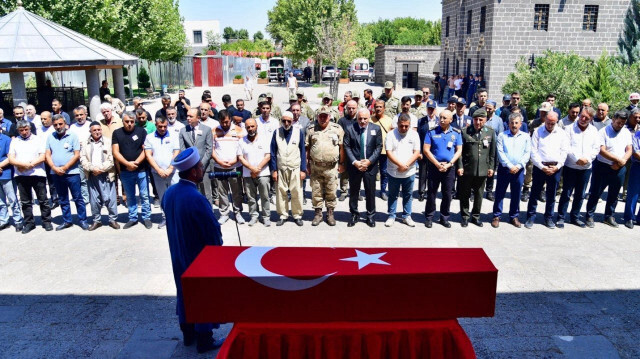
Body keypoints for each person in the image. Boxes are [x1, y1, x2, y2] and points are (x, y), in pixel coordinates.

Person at [162, 147, 225, 353]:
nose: (202, 170)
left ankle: (188, 334)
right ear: (193, 172)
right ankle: (205, 338)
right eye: (199, 167)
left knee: (183, 291)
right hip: (197, 256)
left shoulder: (170, 192)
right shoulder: (196, 198)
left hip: (177, 252)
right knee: (202, 294)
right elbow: (212, 230)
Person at [585, 110, 633, 228]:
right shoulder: (603, 131)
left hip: (620, 167)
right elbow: (602, 150)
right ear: (613, 120)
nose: (620, 125)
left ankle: (609, 216)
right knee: (596, 192)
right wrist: (618, 159)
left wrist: (622, 162)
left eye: (623, 123)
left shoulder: (626, 132)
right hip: (603, 166)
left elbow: (629, 149)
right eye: (618, 123)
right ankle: (589, 215)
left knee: (614, 193)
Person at [556, 106, 600, 228]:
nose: (583, 119)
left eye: (586, 117)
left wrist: (587, 159)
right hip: (571, 166)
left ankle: (574, 217)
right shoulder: (569, 129)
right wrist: (577, 159)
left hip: (586, 168)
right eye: (582, 116)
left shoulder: (594, 131)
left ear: (591, 119)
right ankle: (561, 217)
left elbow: (596, 148)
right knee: (566, 193)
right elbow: (566, 147)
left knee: (580, 194)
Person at [8, 120, 53, 233]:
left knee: (43, 199)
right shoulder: (15, 141)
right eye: (21, 130)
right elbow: (11, 158)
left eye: (26, 129)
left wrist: (29, 165)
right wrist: (22, 165)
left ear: (30, 129)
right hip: (21, 175)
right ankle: (29, 223)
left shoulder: (38, 139)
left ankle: (46, 221)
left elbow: (42, 156)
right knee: (26, 201)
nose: (24, 132)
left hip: (37, 174)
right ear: (18, 130)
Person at [525, 112, 568, 229]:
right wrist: (542, 166)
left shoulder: (562, 134)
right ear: (545, 120)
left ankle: (549, 217)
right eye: (548, 122)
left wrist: (557, 166)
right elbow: (533, 151)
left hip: (555, 168)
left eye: (552, 123)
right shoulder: (538, 131)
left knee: (551, 194)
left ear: (556, 122)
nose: (549, 125)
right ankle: (530, 216)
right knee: (534, 193)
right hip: (540, 167)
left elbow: (564, 152)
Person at [45, 114, 88, 230]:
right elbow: (48, 154)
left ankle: (83, 220)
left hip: (72, 173)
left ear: (65, 124)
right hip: (56, 173)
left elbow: (77, 154)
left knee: (78, 198)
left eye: (60, 124)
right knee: (63, 198)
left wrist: (65, 167)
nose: (58, 127)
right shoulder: (50, 137)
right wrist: (54, 168)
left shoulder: (72, 136)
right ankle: (67, 220)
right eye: (55, 125)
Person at [112, 111, 152, 229]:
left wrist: (136, 162)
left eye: (132, 121)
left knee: (144, 195)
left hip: (141, 170)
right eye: (127, 121)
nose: (129, 124)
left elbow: (146, 149)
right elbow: (115, 151)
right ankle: (133, 217)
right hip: (125, 171)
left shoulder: (141, 131)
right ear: (122, 121)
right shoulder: (117, 133)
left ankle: (146, 217)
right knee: (130, 196)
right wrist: (127, 164)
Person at [457, 109, 496, 227]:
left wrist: (491, 167)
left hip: (483, 169)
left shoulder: (490, 132)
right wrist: (460, 166)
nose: (478, 122)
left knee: (479, 194)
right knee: (465, 193)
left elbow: (492, 153)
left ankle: (476, 216)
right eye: (475, 119)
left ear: (485, 120)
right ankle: (464, 216)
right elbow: (460, 152)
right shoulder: (465, 132)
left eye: (480, 120)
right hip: (468, 169)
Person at [306, 106, 345, 226]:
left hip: (331, 167)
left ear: (329, 117)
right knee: (316, 191)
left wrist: (342, 163)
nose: (323, 118)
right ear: (317, 117)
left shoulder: (337, 129)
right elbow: (307, 148)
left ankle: (330, 214)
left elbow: (341, 148)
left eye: (325, 116)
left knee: (331, 191)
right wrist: (307, 164)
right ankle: (318, 214)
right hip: (315, 167)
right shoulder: (311, 129)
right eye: (320, 116)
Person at [423, 110, 462, 228]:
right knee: (431, 193)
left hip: (449, 168)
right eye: (440, 117)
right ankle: (429, 217)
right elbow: (426, 149)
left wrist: (449, 164)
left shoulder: (456, 133)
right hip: (435, 167)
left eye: (445, 118)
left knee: (447, 194)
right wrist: (437, 164)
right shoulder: (432, 132)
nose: (442, 120)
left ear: (451, 120)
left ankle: (444, 217)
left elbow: (459, 150)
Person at [344, 108, 382, 227]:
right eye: (360, 118)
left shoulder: (376, 129)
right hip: (355, 166)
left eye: (365, 118)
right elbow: (347, 147)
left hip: (370, 166)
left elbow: (379, 147)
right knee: (354, 191)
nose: (362, 121)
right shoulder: (350, 129)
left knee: (370, 192)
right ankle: (354, 214)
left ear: (369, 118)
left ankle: (370, 216)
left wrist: (369, 161)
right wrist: (355, 162)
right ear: (356, 118)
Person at [492, 113, 531, 228]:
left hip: (519, 170)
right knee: (499, 193)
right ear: (508, 123)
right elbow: (500, 152)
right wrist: (510, 166)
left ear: (521, 124)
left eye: (516, 123)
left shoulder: (525, 136)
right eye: (512, 123)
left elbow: (527, 153)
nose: (514, 125)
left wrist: (518, 166)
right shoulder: (501, 136)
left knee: (516, 194)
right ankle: (496, 216)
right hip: (504, 169)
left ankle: (514, 216)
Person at [80, 121, 119, 231]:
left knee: (110, 198)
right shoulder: (85, 143)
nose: (97, 132)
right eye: (94, 130)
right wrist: (92, 169)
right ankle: (97, 220)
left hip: (106, 174)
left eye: (99, 129)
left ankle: (112, 220)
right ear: (90, 131)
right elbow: (82, 159)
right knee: (94, 199)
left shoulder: (108, 141)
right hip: (92, 174)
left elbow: (111, 159)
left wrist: (101, 169)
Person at [270, 111, 306, 226]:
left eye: (288, 121)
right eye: (284, 121)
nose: (286, 123)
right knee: (281, 192)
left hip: (295, 167)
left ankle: (297, 215)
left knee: (297, 192)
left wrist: (303, 170)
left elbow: (303, 151)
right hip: (281, 168)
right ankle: (283, 215)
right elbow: (273, 152)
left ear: (292, 121)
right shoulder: (276, 132)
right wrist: (274, 170)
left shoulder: (298, 132)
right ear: (281, 120)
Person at [384, 113, 421, 227]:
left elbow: (417, 152)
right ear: (397, 124)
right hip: (394, 171)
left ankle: (407, 216)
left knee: (408, 195)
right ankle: (391, 215)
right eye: (401, 126)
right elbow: (388, 152)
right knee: (392, 194)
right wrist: (400, 165)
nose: (404, 128)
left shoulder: (414, 134)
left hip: (409, 171)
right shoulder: (390, 134)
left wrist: (406, 165)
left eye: (406, 126)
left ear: (410, 125)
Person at [144, 117, 179, 229]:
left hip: (173, 171)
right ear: (156, 125)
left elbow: (176, 152)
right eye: (160, 126)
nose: (163, 128)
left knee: (176, 195)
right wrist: (158, 169)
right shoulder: (149, 137)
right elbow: (148, 154)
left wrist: (170, 168)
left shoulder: (174, 135)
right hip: (157, 172)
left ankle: (177, 218)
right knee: (163, 196)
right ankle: (165, 218)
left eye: (165, 126)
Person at [211, 110, 244, 225]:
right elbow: (212, 150)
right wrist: (219, 161)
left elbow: (242, 149)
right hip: (219, 167)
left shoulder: (239, 130)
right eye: (222, 122)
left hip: (235, 166)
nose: (225, 124)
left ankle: (238, 212)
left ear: (230, 119)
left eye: (227, 122)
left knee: (237, 191)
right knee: (222, 192)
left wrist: (234, 161)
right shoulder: (214, 131)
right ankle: (224, 213)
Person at [237, 118, 271, 227]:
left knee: (265, 196)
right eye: (248, 127)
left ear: (257, 126)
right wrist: (252, 169)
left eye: (252, 126)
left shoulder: (264, 139)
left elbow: (268, 155)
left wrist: (257, 169)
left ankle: (266, 217)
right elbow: (240, 158)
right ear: (245, 128)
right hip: (248, 174)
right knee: (251, 197)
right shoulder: (242, 141)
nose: (250, 129)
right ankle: (254, 216)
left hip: (263, 173)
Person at [179, 109, 214, 201]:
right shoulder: (183, 131)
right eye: (187, 116)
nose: (188, 118)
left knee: (206, 193)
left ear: (198, 118)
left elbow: (209, 149)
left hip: (204, 167)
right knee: (192, 193)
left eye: (191, 116)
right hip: (190, 168)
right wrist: (191, 165)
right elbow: (183, 150)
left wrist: (201, 165)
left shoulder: (207, 130)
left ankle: (208, 213)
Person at [0, 129, 23, 231]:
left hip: (6, 173)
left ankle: (18, 220)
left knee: (12, 198)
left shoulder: (6, 139)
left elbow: (10, 157)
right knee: (0, 200)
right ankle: (4, 220)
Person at [417, 100, 439, 201]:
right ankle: (421, 192)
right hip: (424, 151)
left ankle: (431, 191)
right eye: (429, 109)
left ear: (435, 109)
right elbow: (418, 137)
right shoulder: (421, 121)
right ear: (426, 109)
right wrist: (419, 152)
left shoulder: (439, 121)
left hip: (435, 152)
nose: (430, 111)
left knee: (433, 173)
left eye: (432, 109)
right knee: (422, 173)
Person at [483, 100, 505, 201]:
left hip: (493, 149)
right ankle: (475, 191)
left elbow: (501, 135)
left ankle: (489, 191)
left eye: (490, 108)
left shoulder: (498, 120)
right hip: (482, 148)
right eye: (486, 108)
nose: (487, 110)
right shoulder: (481, 118)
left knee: (491, 170)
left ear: (494, 109)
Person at [337, 100, 358, 201]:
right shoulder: (342, 121)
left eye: (353, 108)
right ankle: (343, 192)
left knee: (356, 173)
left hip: (357, 150)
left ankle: (355, 192)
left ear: (357, 108)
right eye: (349, 108)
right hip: (345, 150)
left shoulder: (360, 119)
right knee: (344, 172)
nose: (351, 110)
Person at [70, 106, 92, 204]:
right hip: (78, 156)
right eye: (77, 115)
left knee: (93, 177)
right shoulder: (72, 127)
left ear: (86, 115)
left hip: (90, 156)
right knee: (82, 179)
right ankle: (86, 198)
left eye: (81, 115)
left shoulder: (90, 125)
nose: (79, 117)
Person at [624, 112, 640, 228]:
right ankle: (629, 217)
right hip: (637, 167)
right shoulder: (636, 136)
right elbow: (636, 153)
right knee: (633, 193)